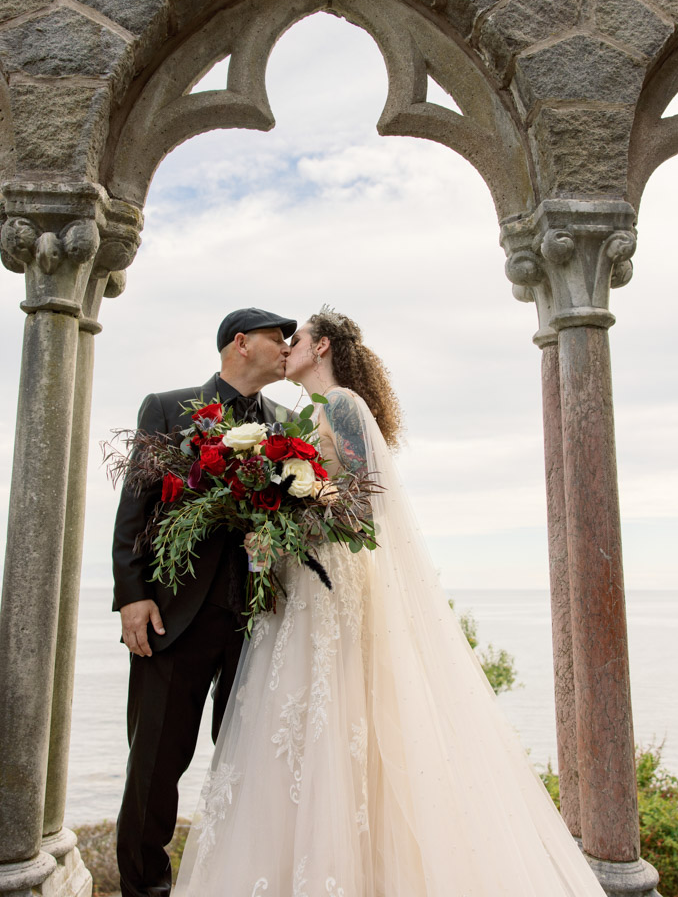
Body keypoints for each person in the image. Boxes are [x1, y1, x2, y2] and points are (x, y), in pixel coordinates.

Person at [174, 309, 610, 897]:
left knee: (333, 719)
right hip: (298, 585)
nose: (287, 349)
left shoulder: (344, 406)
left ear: (321, 346)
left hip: (331, 583)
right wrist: (272, 518)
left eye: (296, 339)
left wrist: (296, 509)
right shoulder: (304, 415)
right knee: (289, 728)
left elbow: (362, 507)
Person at [112, 306, 296, 897]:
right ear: (240, 343)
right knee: (155, 772)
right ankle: (146, 890)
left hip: (259, 622)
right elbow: (135, 510)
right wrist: (132, 597)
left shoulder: (289, 424)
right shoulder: (168, 409)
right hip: (174, 618)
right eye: (277, 337)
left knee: (247, 767)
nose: (288, 346)